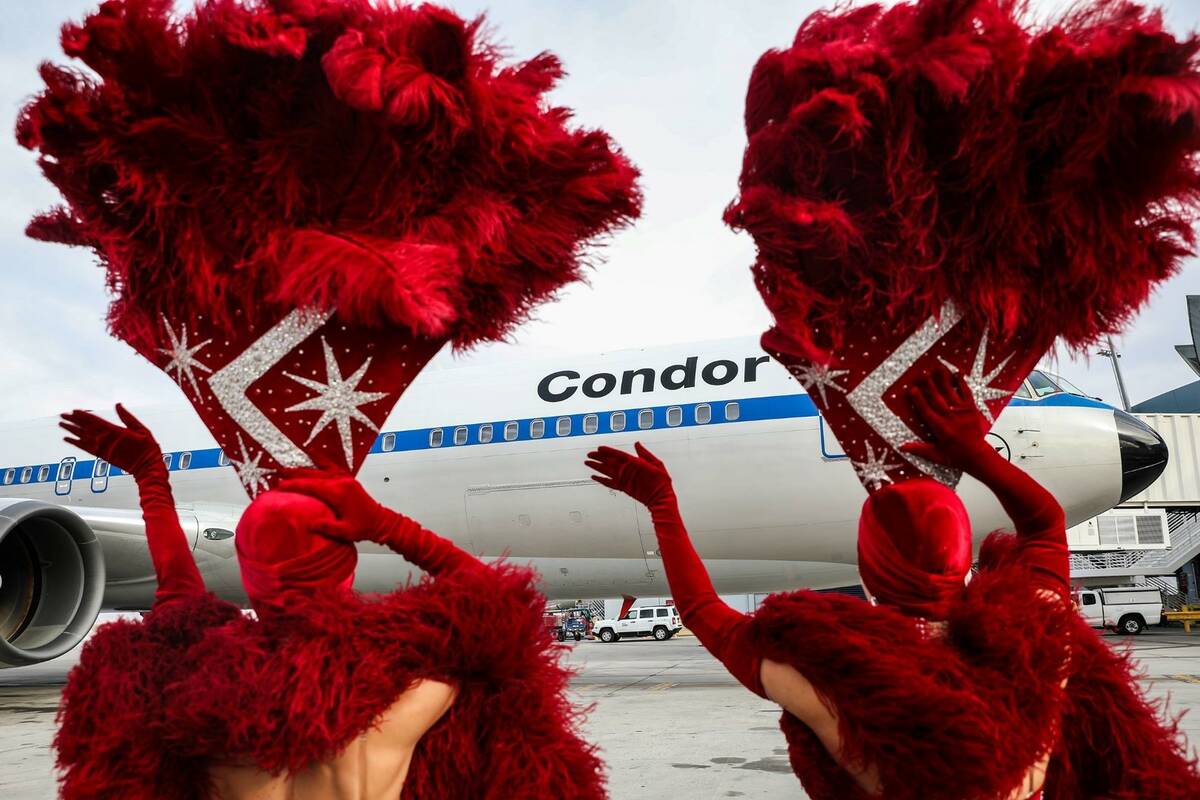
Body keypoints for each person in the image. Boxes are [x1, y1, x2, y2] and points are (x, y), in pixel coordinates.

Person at [587, 366, 1200, 800]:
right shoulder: (1033, 646)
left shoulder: (825, 677)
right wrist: (975, 452)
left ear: (867, 561)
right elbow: (1044, 526)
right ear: (963, 553)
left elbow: (697, 608)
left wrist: (662, 503)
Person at [55, 405, 604, 800]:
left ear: (247, 571)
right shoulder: (414, 684)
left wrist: (153, 479)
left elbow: (177, 602)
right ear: (347, 566)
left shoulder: (196, 682)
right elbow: (501, 601)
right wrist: (389, 526)